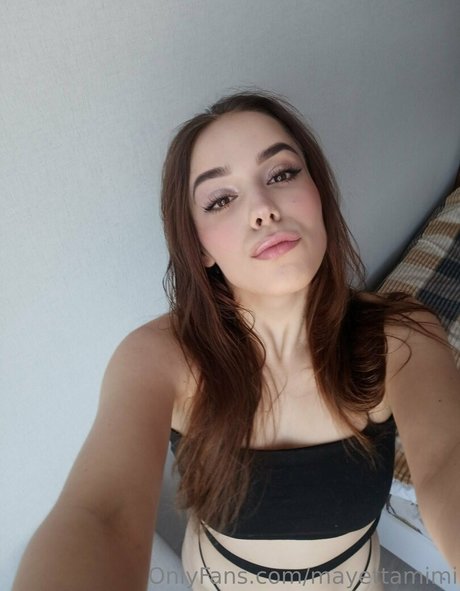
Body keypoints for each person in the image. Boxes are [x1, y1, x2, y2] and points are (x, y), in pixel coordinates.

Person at [13, 89, 460, 591]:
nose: (263, 209)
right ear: (199, 246)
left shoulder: (402, 338)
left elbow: (448, 460)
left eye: (281, 174)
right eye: (221, 199)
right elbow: (102, 517)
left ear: (318, 193)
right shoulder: (160, 358)